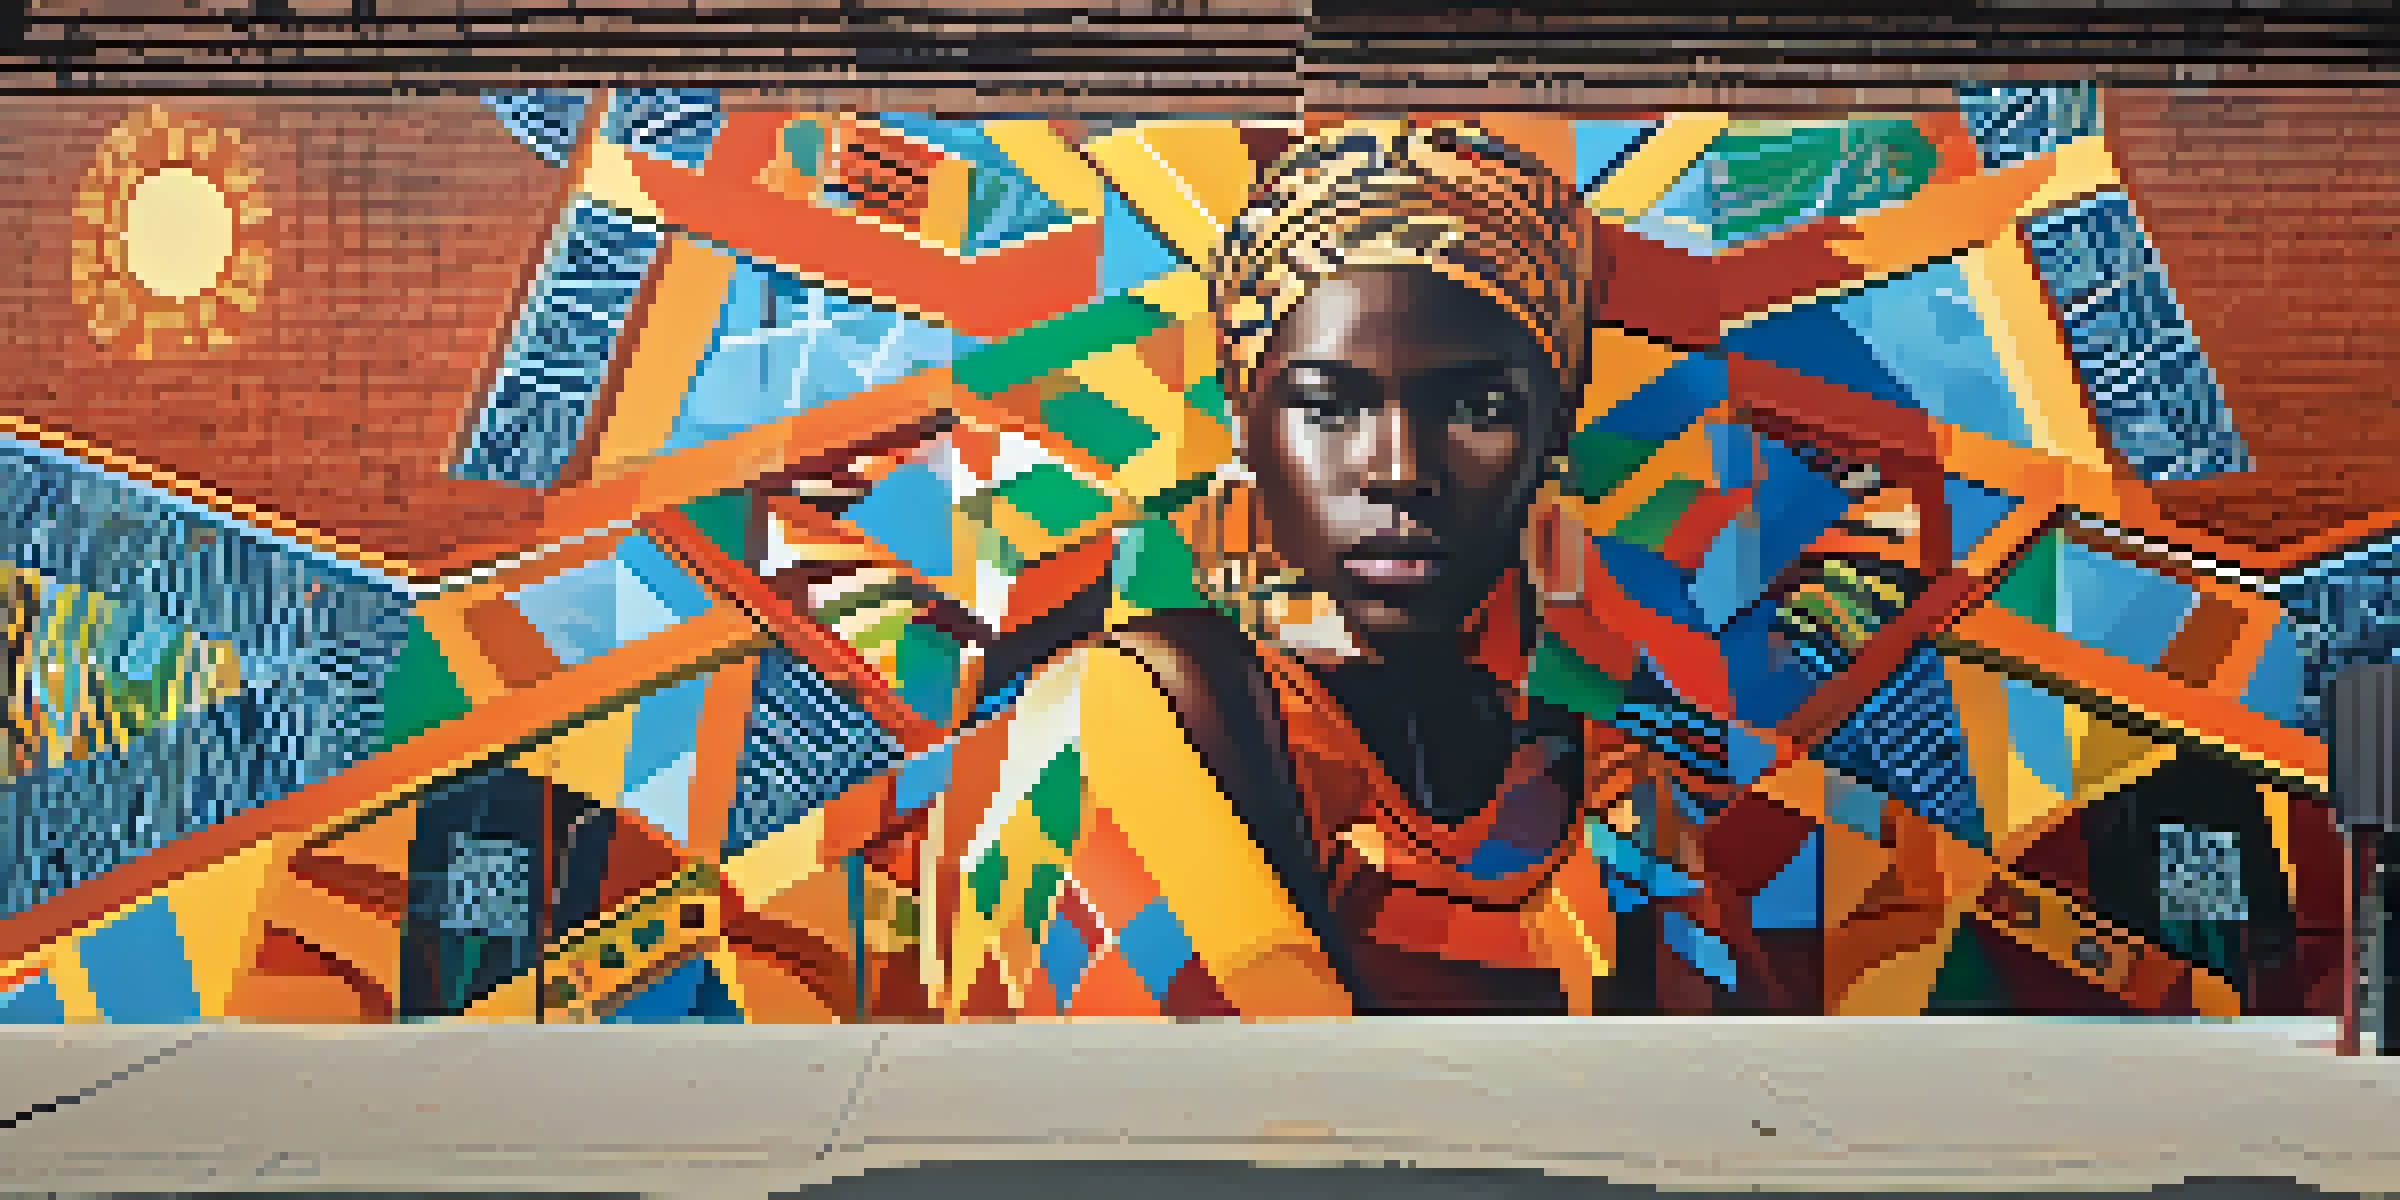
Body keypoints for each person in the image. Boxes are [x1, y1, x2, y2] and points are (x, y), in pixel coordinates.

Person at [914, 119, 1783, 1018]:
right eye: (1329, 407)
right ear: (1247, 420)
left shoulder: (1621, 802)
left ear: (1553, 430)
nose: (1400, 469)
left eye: (1478, 407)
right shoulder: (1136, 711)